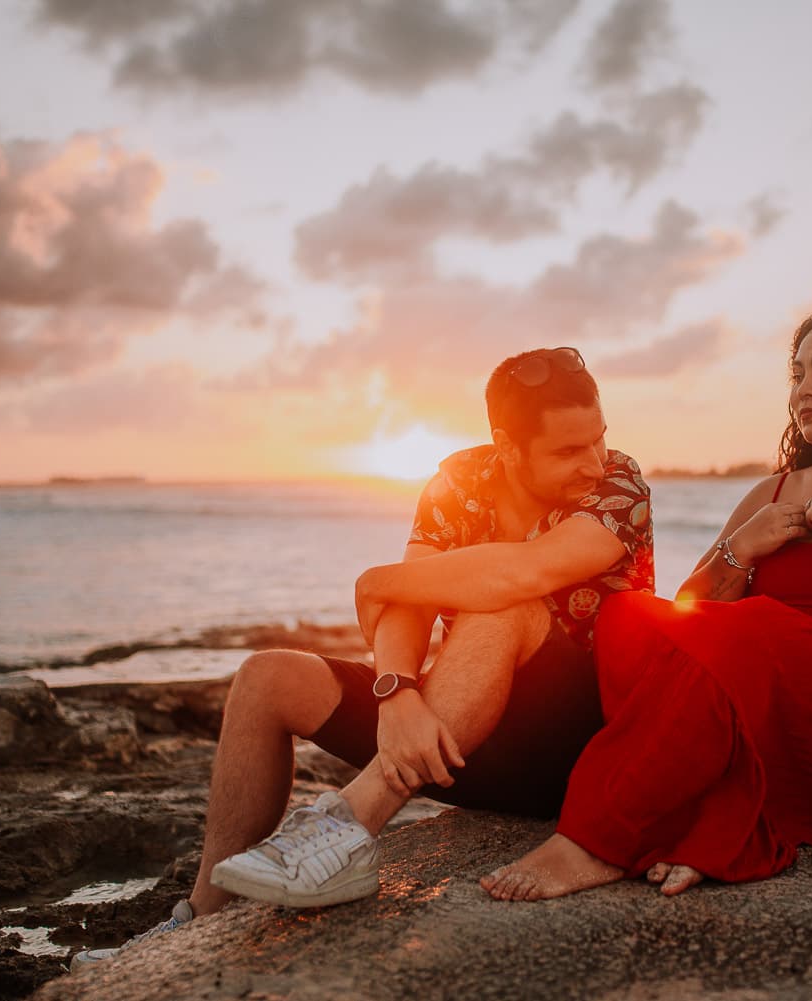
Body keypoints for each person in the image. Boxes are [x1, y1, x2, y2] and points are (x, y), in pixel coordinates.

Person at [71, 347, 653, 967]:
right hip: (463, 736)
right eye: (568, 450)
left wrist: (376, 582)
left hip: (580, 746)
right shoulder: (459, 482)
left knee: (506, 607)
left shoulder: (619, 485)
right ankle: (197, 919)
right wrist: (396, 693)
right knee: (266, 677)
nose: (592, 462)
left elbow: (522, 574)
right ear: (508, 446)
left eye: (597, 439)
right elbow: (410, 601)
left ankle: (347, 827)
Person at [481, 304, 812, 901]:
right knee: (628, 615)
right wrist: (743, 547)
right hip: (784, 745)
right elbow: (690, 619)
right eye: (798, 375)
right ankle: (709, 822)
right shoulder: (769, 494)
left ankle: (598, 839)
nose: (806, 390)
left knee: (760, 625)